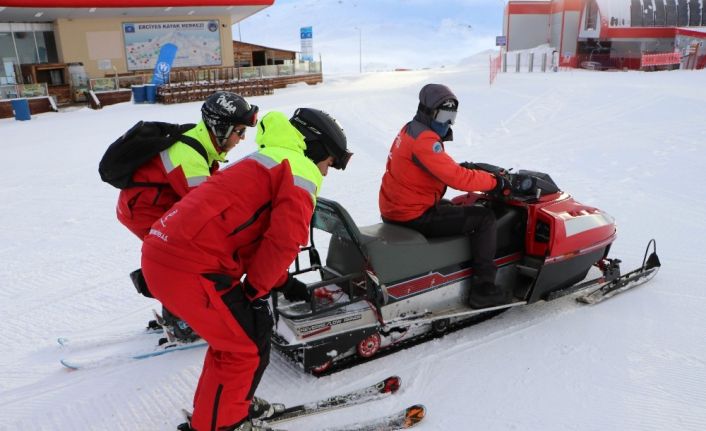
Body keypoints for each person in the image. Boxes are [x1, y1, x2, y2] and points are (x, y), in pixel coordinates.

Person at [141, 108, 351, 431]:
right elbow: (284, 240)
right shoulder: (302, 169)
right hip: (191, 265)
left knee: (236, 339)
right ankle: (224, 425)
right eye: (331, 163)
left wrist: (280, 282)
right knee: (246, 347)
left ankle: (224, 410)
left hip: (169, 253)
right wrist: (255, 291)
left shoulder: (267, 157)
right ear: (318, 148)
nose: (326, 171)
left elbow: (255, 236)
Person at [117, 91, 259, 340]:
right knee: (183, 257)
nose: (242, 138)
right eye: (239, 131)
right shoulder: (189, 156)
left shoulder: (201, 141)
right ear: (221, 127)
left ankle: (175, 308)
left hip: (155, 204)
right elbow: (206, 212)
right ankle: (181, 320)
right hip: (143, 211)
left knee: (180, 254)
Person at [378, 83, 512, 309]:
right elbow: (457, 179)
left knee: (451, 207)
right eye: (444, 115)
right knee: (484, 219)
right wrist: (495, 182)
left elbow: (428, 168)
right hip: (412, 215)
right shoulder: (426, 141)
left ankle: (459, 268)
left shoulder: (410, 129)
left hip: (396, 209)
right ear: (428, 112)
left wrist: (461, 169)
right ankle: (484, 289)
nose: (448, 122)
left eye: (453, 116)